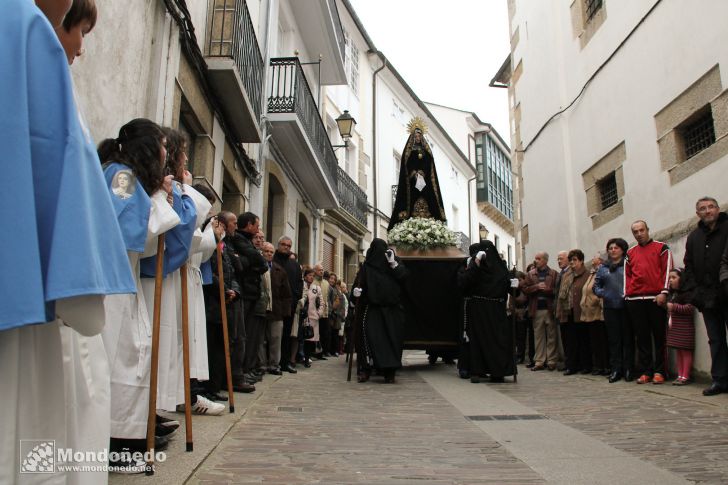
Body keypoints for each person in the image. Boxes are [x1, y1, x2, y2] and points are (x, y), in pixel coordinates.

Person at [1, 1, 135, 482]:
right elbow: (131, 225)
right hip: (56, 282)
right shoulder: (124, 177)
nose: (80, 45)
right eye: (79, 30)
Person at [98, 119, 183, 470]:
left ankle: (124, 439)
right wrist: (160, 202)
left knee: (130, 357)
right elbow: (122, 229)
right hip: (111, 285)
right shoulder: (121, 177)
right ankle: (115, 444)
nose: (167, 154)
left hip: (122, 280)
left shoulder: (126, 177)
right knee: (121, 360)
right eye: (163, 145)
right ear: (149, 148)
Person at [682, 197, 728, 396]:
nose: (707, 211)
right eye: (703, 208)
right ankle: (720, 380)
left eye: (711, 207)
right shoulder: (694, 237)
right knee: (715, 340)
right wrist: (695, 292)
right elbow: (689, 266)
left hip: (726, 291)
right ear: (697, 213)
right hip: (707, 297)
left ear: (718, 209)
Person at [353, 239, 409, 383]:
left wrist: (393, 264)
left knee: (392, 341)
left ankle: (389, 371)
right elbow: (359, 285)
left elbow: (403, 277)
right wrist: (357, 292)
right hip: (374, 309)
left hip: (393, 310)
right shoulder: (367, 267)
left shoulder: (394, 262)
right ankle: (365, 369)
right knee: (370, 339)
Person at [458, 241, 514, 383]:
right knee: (478, 341)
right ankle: (477, 370)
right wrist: (475, 263)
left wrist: (515, 286)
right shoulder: (477, 267)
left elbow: (509, 288)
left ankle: (497, 371)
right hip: (479, 309)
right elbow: (465, 282)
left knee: (496, 341)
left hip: (495, 310)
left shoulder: (500, 269)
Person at [625, 220, 672, 385]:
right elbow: (627, 276)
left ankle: (660, 371)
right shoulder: (630, 253)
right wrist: (628, 296)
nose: (639, 234)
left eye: (641, 230)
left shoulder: (661, 248)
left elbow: (667, 270)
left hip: (656, 298)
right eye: (635, 231)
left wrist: (664, 292)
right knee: (642, 338)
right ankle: (646, 371)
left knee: (659, 337)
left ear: (647, 230)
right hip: (635, 300)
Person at [388, 119, 447, 230]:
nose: (417, 138)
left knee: (429, 198)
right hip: (412, 181)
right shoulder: (409, 151)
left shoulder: (426, 151)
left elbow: (429, 163)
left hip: (425, 181)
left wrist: (422, 172)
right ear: (413, 137)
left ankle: (430, 218)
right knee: (411, 200)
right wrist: (413, 173)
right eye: (415, 136)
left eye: (419, 136)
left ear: (422, 137)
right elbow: (407, 163)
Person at [594, 238, 633, 382]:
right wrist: (603, 293)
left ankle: (629, 368)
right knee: (614, 340)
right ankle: (616, 369)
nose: (613, 250)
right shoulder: (603, 268)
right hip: (610, 307)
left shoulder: (628, 265)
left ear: (622, 250)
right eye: (610, 248)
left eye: (616, 248)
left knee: (627, 339)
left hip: (626, 306)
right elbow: (596, 286)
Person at [260, 241, 292, 375]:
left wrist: (285, 312)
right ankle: (261, 365)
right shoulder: (257, 267)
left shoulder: (280, 270)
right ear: (262, 252)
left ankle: (274, 365)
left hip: (276, 311)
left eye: (271, 252)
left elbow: (287, 294)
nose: (269, 254)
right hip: (261, 309)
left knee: (275, 339)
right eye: (266, 251)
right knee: (261, 340)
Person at [523, 252, 559, 371]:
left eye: (538, 259)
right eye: (535, 258)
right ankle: (539, 361)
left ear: (545, 260)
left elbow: (557, 290)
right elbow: (525, 289)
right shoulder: (530, 274)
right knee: (538, 336)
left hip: (549, 308)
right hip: (536, 308)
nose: (536, 261)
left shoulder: (553, 273)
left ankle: (551, 360)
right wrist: (536, 287)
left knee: (551, 336)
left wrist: (548, 290)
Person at [273, 236, 303, 373]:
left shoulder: (295, 265)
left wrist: (295, 300)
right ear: (278, 245)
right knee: (272, 336)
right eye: (283, 244)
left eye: (289, 246)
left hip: (289, 306)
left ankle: (285, 363)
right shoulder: (272, 260)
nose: (286, 247)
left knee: (286, 336)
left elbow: (299, 284)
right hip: (273, 305)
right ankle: (272, 363)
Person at [562, 250, 592, 375]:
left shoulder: (587, 273)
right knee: (571, 341)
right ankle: (572, 366)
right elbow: (562, 293)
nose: (572, 262)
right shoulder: (567, 275)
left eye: (574, 260)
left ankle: (586, 365)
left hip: (582, 310)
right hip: (569, 310)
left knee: (584, 339)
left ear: (581, 260)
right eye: (570, 260)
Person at [665, 268, 695, 385]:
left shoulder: (687, 293)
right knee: (678, 351)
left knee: (686, 351)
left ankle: (686, 375)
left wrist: (675, 307)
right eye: (669, 278)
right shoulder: (672, 294)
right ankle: (680, 374)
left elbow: (690, 308)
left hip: (684, 328)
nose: (671, 280)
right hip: (675, 328)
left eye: (674, 277)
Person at [582, 253, 608, 376]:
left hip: (600, 312)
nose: (592, 262)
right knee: (595, 341)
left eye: (595, 260)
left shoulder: (603, 272)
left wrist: (597, 300)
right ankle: (598, 365)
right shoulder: (592, 274)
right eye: (593, 260)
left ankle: (605, 366)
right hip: (590, 312)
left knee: (603, 341)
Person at [511, 271, 534, 367]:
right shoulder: (515, 291)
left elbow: (530, 301)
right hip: (517, 315)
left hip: (526, 314)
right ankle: (519, 355)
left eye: (520, 280)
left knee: (527, 337)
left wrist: (524, 311)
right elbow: (512, 303)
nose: (519, 282)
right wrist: (515, 311)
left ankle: (527, 356)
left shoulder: (526, 290)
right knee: (518, 337)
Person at [302, 267, 323, 366]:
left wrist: (319, 313)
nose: (311, 277)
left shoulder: (316, 288)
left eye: (312, 276)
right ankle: (301, 357)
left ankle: (307, 358)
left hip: (313, 317)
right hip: (303, 316)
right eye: (309, 275)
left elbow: (322, 302)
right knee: (302, 338)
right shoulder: (302, 286)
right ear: (305, 276)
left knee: (311, 339)